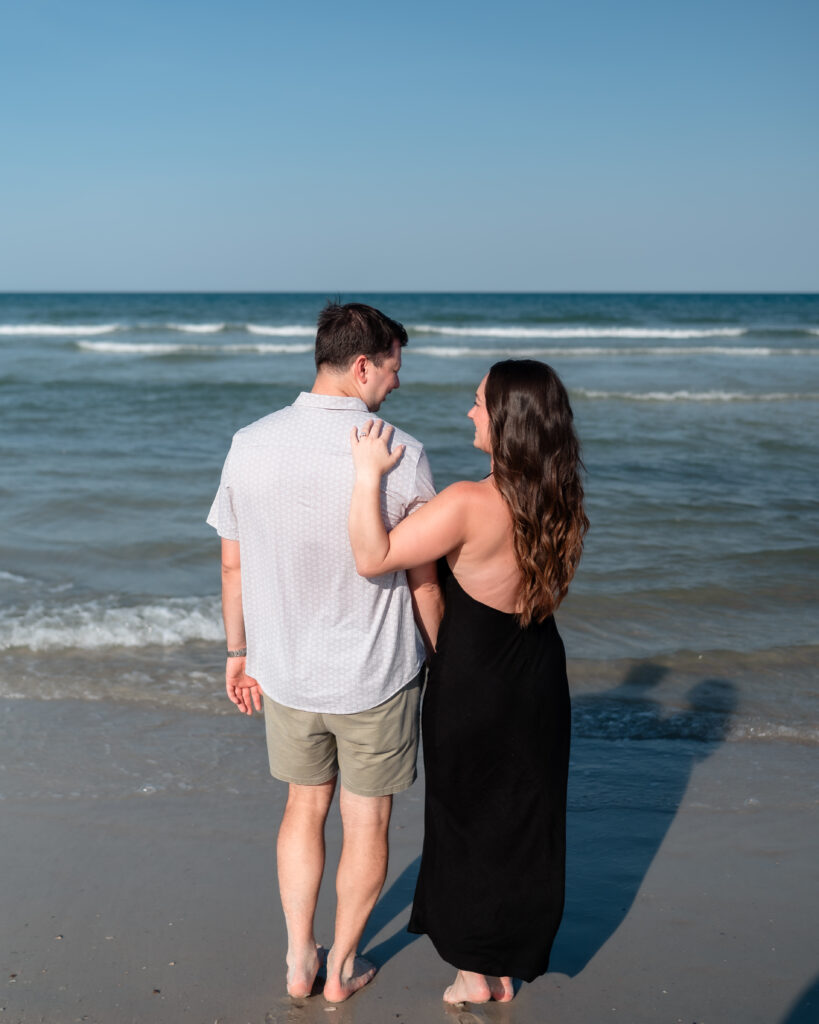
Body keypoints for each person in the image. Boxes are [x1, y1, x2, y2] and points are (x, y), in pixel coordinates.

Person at [207, 302, 443, 1003]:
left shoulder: (249, 442)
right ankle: (340, 967)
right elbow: (423, 578)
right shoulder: (399, 451)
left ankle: (295, 960)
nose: (396, 384)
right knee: (367, 821)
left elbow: (232, 565)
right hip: (377, 673)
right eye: (394, 368)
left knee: (301, 809)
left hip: (284, 671)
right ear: (363, 364)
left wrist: (236, 653)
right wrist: (446, 655)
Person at [348, 359, 588, 1004]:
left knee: (464, 821)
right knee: (520, 819)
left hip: (475, 682)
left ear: (508, 420)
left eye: (480, 403)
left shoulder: (467, 502)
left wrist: (369, 475)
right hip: (539, 675)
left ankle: (473, 973)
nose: (470, 413)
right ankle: (504, 960)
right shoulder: (560, 498)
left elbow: (373, 557)